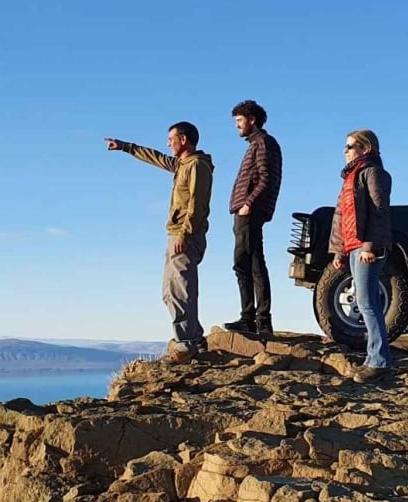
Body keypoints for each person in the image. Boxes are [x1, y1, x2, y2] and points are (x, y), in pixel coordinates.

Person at [105, 123, 214, 361]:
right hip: (176, 234)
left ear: (183, 140)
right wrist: (125, 147)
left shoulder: (197, 165)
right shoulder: (182, 164)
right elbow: (156, 158)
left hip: (185, 235)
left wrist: (184, 234)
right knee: (169, 291)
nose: (168, 143)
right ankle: (196, 339)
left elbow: (197, 204)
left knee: (180, 289)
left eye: (171, 139)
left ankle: (187, 342)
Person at [328, 129, 393, 384]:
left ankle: (379, 362)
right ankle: (373, 359)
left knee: (367, 303)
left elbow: (379, 211)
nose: (345, 151)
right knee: (365, 301)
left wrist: (369, 247)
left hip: (367, 248)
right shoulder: (350, 177)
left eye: (350, 146)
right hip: (353, 247)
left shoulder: (374, 173)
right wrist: (339, 251)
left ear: (366, 149)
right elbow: (341, 216)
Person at [223, 99, 283, 339]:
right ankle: (252, 319)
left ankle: (257, 320)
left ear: (252, 120)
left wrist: (248, 203)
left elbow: (266, 178)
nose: (237, 125)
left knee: (249, 264)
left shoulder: (263, 143)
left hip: (249, 211)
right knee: (248, 263)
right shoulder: (257, 144)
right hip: (245, 211)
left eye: (239, 120)